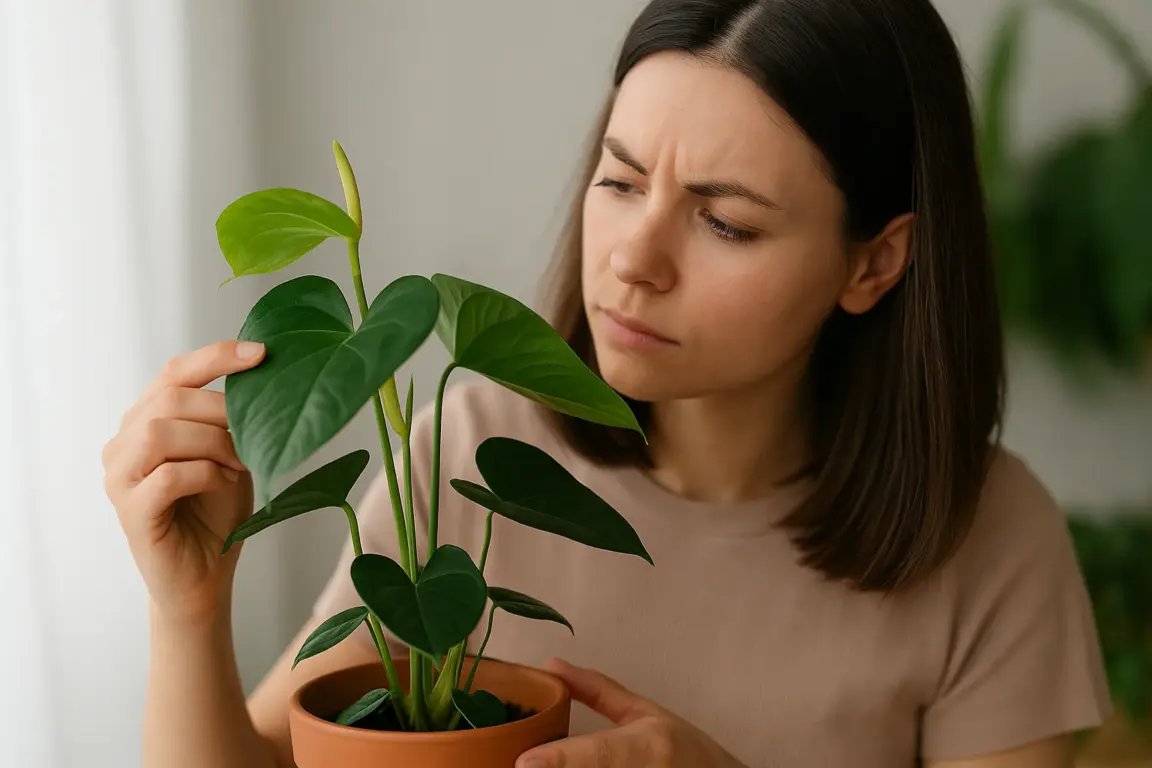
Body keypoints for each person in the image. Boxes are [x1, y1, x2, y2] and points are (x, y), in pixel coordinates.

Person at [101, 0, 1113, 766]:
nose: (633, 259)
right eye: (621, 182)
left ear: (874, 264)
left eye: (725, 222)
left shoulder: (987, 540)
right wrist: (188, 613)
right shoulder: (473, 444)